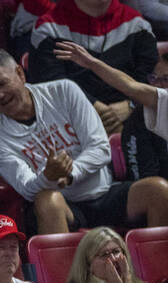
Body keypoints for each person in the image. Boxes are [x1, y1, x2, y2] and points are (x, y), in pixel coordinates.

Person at [0, 49, 168, 236]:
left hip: (105, 192)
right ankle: (58, 270)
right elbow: (26, 188)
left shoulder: (63, 91)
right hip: (64, 206)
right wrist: (48, 177)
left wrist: (70, 173)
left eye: (3, 84)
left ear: (20, 73)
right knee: (46, 200)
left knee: (159, 190)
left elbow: (101, 149)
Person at [27, 0, 162, 176]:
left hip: (132, 116)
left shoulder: (137, 24)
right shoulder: (48, 27)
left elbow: (150, 78)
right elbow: (51, 84)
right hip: (73, 122)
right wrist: (95, 110)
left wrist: (131, 105)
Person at [55, 41, 168, 171]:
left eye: (165, 79)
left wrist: (93, 63)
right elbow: (130, 86)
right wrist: (92, 63)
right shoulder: (153, 107)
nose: (158, 85)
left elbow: (131, 87)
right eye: (154, 78)